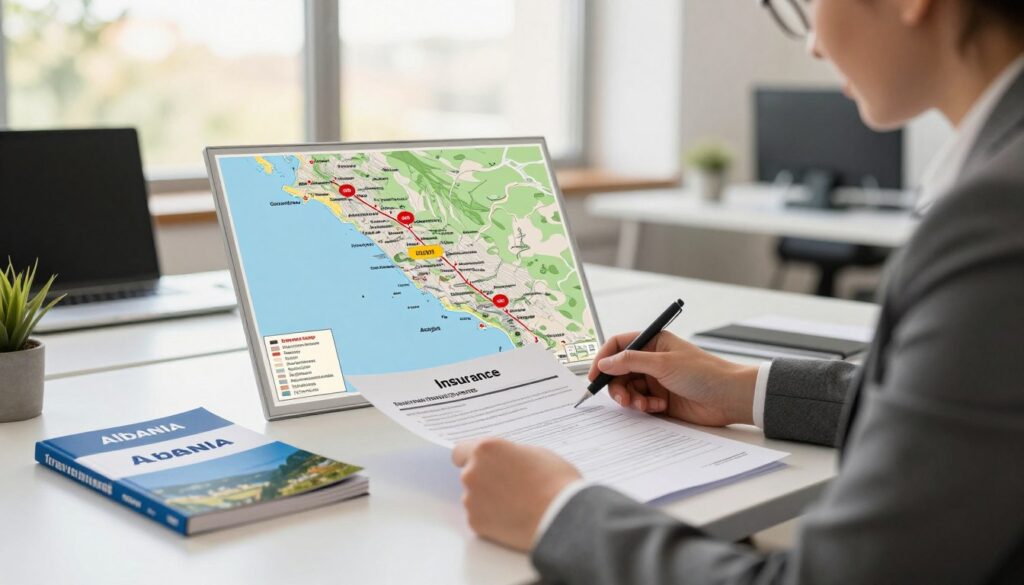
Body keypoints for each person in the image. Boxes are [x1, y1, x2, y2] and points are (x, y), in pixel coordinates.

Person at [451, 0, 1024, 582]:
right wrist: (738, 390)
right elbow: (969, 404)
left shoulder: (996, 218)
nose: (814, 45)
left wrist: (555, 513)